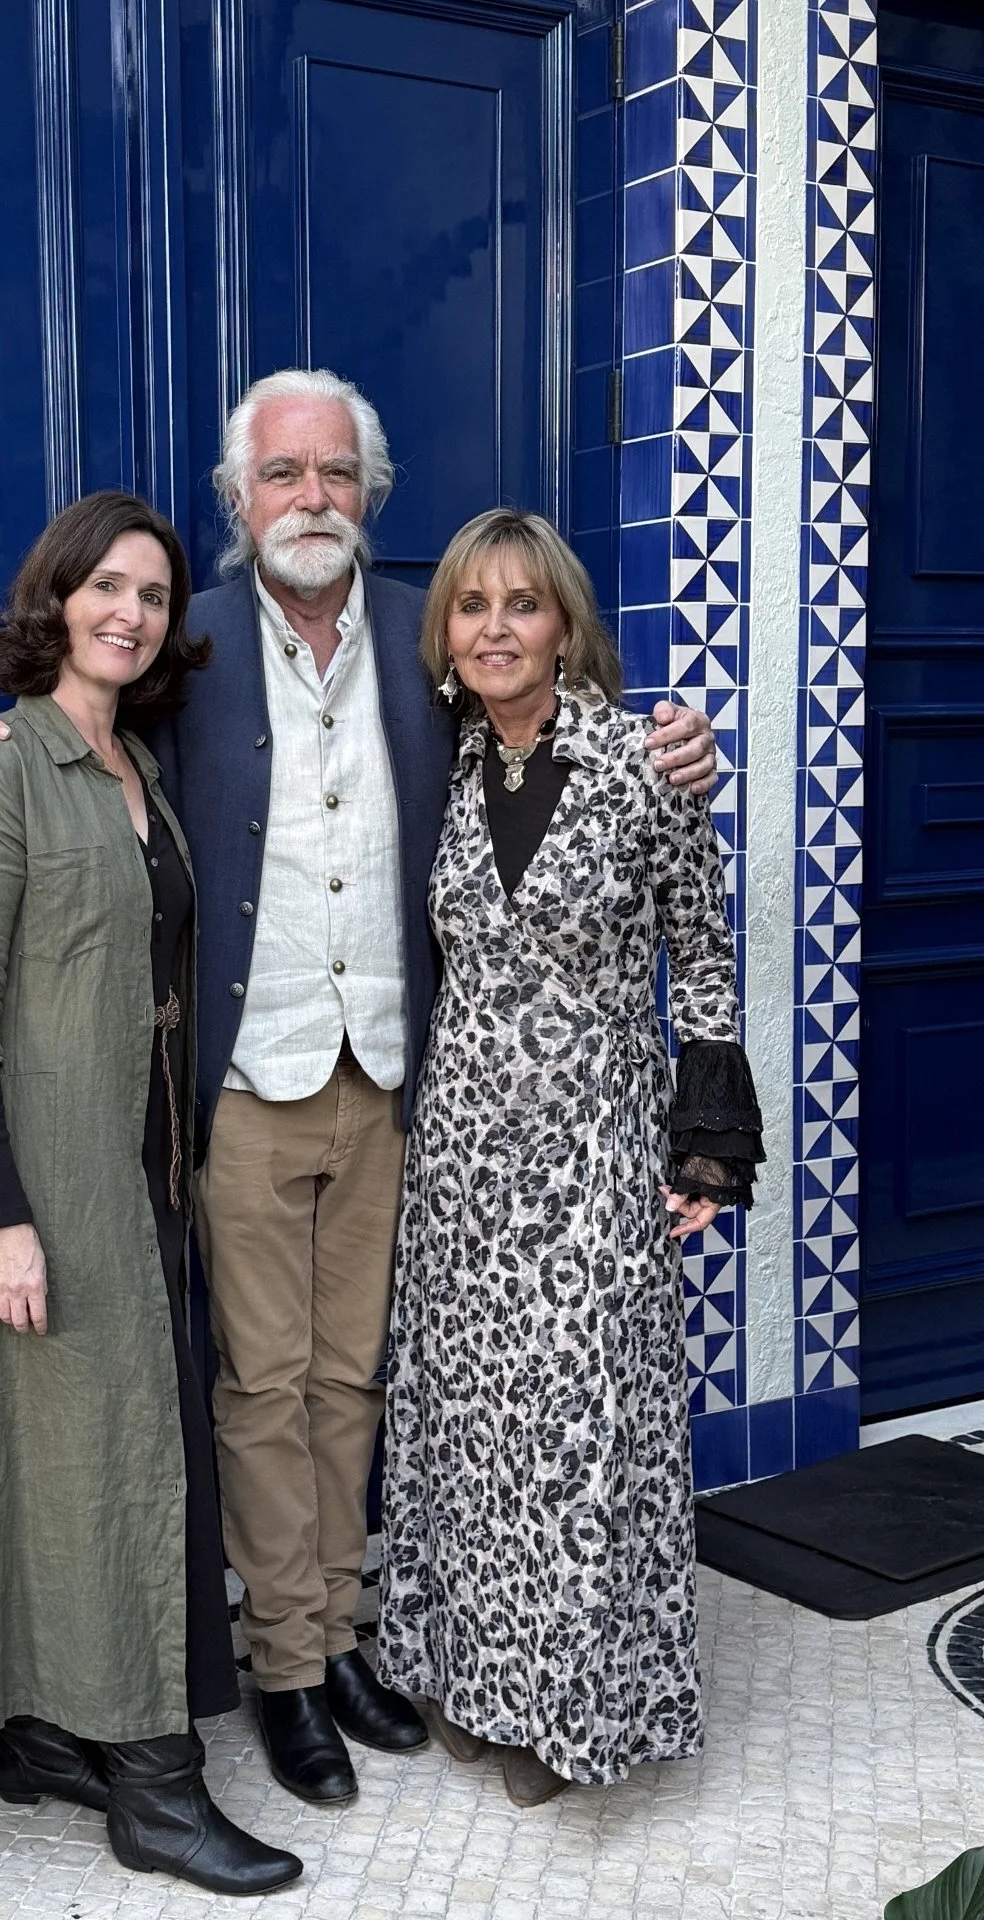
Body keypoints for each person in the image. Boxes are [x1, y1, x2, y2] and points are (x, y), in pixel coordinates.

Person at [0, 368, 720, 1806]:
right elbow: (73, 727)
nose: (311, 499)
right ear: (239, 504)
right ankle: (288, 1666)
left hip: (403, 1087)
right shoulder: (188, 645)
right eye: (282, 476)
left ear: (371, 496)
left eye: (336, 475)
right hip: (239, 1083)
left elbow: (554, 733)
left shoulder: (431, 644)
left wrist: (677, 742)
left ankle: (347, 1635)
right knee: (263, 1381)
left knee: (358, 1378)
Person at [0, 489, 301, 1897]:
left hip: (150, 1173)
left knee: (90, 1459)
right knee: (118, 1465)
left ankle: (39, 1731)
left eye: (152, 592)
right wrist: (4, 1218)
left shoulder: (132, 762)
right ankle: (155, 1783)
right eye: (106, 588)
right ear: (56, 600)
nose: (129, 612)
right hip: (49, 1184)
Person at [375, 508, 762, 1808]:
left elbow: (701, 953)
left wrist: (707, 1143)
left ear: (564, 625)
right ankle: (466, 1674)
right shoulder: (446, 761)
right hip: (464, 1151)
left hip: (597, 1143)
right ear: (447, 634)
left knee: (582, 1425)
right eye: (472, 606)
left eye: (521, 605)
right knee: (473, 1422)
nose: (495, 628)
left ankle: (567, 1709)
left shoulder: (647, 762)